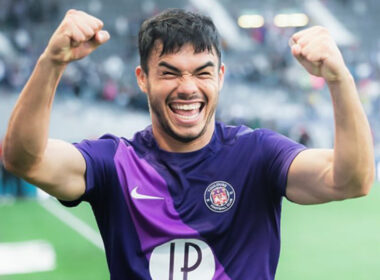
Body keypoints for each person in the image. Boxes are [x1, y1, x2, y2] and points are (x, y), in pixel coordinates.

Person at [2, 8, 374, 280]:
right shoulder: (114, 161)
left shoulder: (257, 153)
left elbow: (351, 180)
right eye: (169, 72)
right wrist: (52, 61)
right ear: (142, 79)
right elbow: (24, 160)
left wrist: (339, 78)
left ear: (221, 77)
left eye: (202, 72)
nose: (188, 87)